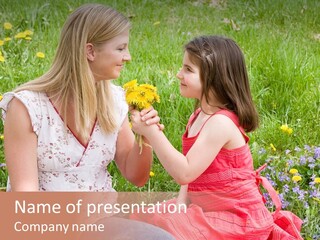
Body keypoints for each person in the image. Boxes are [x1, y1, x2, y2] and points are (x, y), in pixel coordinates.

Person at [0, 4, 175, 239]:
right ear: (90, 51)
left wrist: (146, 136)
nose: (128, 57)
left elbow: (137, 177)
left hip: (101, 223)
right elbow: (26, 199)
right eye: (121, 48)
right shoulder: (26, 107)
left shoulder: (115, 100)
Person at [130, 35, 303, 239]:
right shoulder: (199, 115)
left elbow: (184, 172)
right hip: (206, 208)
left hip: (235, 218)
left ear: (214, 78)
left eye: (188, 69)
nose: (178, 74)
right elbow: (191, 172)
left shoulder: (220, 123)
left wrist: (152, 132)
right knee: (150, 221)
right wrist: (180, 204)